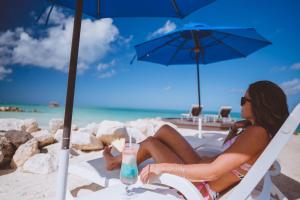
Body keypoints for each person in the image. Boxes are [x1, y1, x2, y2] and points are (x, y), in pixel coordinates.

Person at [104, 80, 289, 199]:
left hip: (199, 186)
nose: (240, 103)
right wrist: (235, 129)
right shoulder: (256, 131)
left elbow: (212, 173)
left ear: (259, 104)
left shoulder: (257, 133)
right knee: (165, 130)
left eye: (243, 100)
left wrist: (160, 167)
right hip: (203, 171)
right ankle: (119, 160)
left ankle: (115, 163)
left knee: (152, 142)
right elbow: (229, 156)